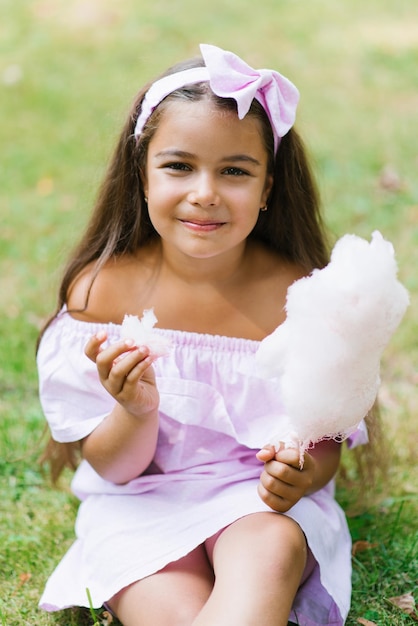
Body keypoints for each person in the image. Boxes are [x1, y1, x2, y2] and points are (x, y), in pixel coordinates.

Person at [37, 43, 369, 626]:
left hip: (258, 502)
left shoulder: (300, 298)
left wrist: (300, 471)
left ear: (268, 189)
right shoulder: (102, 296)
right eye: (179, 166)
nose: (205, 192)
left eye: (236, 171)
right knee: (163, 606)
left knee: (267, 553)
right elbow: (115, 469)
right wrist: (135, 410)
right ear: (141, 175)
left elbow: (324, 443)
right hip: (140, 503)